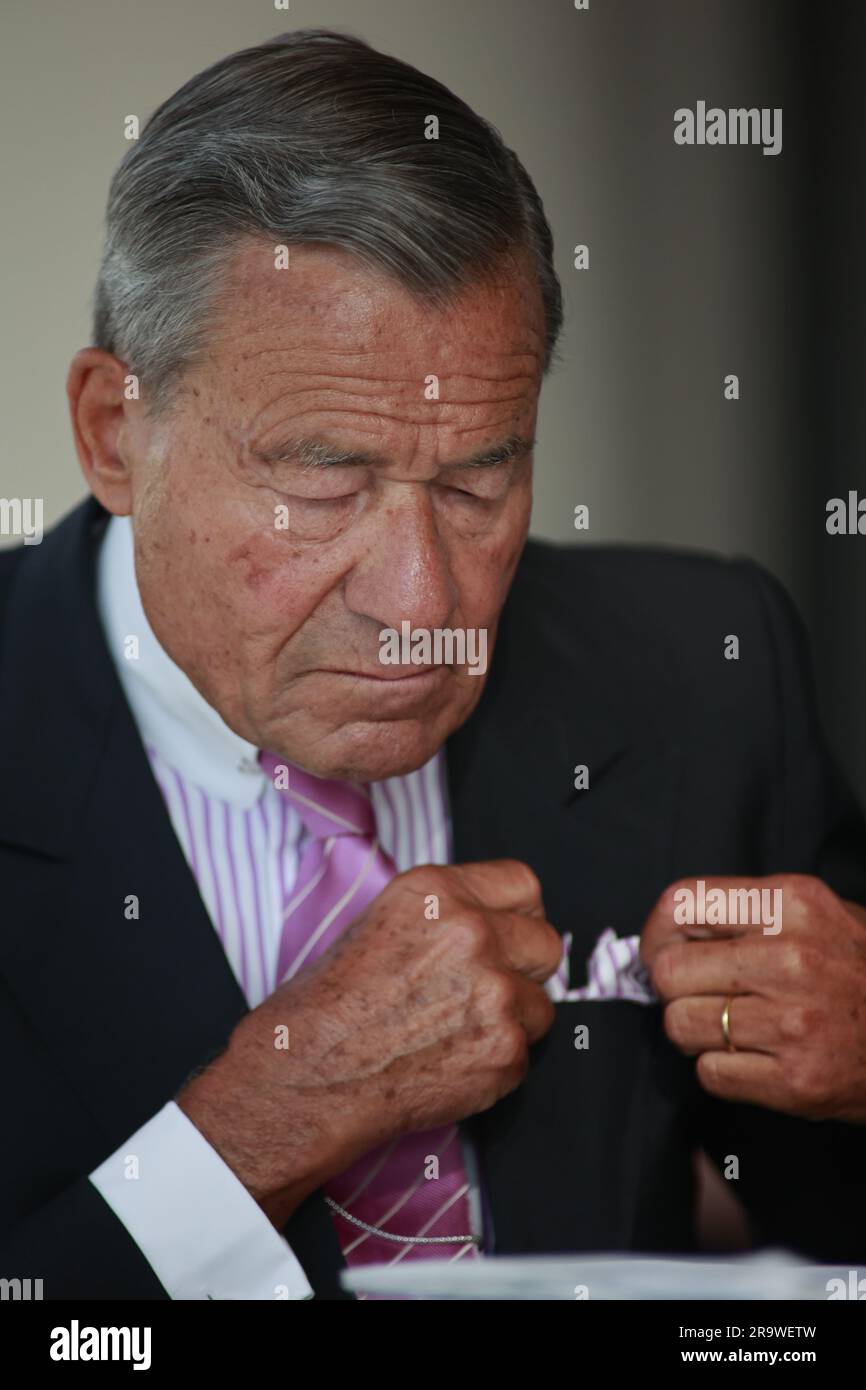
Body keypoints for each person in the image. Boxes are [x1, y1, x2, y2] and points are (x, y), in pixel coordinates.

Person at [2, 28, 865, 1301]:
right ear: (113, 433)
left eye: (478, 477)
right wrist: (260, 1128)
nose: (422, 606)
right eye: (321, 477)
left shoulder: (700, 674)